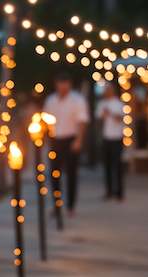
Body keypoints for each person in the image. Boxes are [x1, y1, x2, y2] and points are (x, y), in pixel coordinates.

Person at [43, 72, 89, 217]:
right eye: (59, 83)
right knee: (54, 174)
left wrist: (79, 140)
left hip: (71, 138)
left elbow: (82, 121)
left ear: (69, 84)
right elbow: (45, 118)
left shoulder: (77, 100)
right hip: (55, 139)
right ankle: (57, 204)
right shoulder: (51, 100)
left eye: (65, 83)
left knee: (71, 173)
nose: (62, 87)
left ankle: (70, 206)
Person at [96, 84, 125, 201]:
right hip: (106, 137)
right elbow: (99, 118)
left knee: (117, 165)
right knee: (107, 166)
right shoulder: (102, 104)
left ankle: (119, 192)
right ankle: (109, 191)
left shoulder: (118, 103)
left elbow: (120, 118)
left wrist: (111, 113)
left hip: (117, 137)